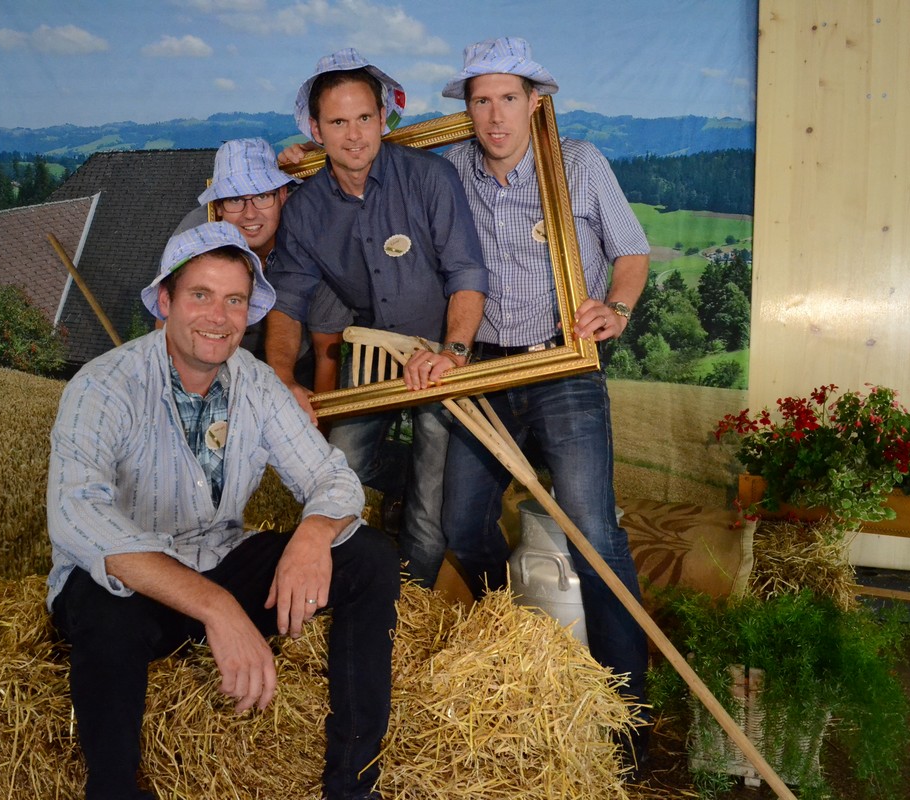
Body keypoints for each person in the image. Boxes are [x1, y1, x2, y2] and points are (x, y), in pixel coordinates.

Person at [47, 221, 400, 800]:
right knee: (102, 605)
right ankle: (113, 790)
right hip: (137, 590)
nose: (219, 316)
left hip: (221, 557)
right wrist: (218, 608)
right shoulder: (103, 386)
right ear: (166, 302)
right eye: (201, 295)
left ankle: (353, 785)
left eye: (235, 300)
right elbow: (76, 517)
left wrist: (313, 535)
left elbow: (331, 477)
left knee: (368, 556)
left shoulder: (256, 383)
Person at [437, 37, 652, 772]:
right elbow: (367, 166)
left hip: (563, 366)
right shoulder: (449, 170)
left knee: (594, 534)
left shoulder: (579, 163)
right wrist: (303, 162)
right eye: (481, 100)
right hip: (484, 371)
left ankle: (626, 719)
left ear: (535, 102)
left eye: (508, 98)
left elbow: (631, 254)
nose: (495, 116)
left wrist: (615, 309)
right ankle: (526, 651)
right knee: (460, 525)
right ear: (467, 109)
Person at [265, 48, 489, 587]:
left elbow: (466, 272)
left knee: (430, 502)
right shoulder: (305, 210)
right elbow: (287, 301)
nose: (354, 136)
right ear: (315, 130)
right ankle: (419, 487)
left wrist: (453, 352)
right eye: (338, 122)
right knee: (344, 462)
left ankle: (411, 596)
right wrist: (280, 376)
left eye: (364, 117)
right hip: (371, 350)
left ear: (383, 116)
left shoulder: (430, 177)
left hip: (440, 351)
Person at [171, 138, 351, 394]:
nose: (250, 213)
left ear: (283, 195)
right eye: (235, 199)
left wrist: (320, 415)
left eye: (263, 195)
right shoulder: (193, 237)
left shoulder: (313, 237)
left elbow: (327, 352)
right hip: (214, 368)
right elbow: (169, 324)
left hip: (299, 366)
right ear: (218, 206)